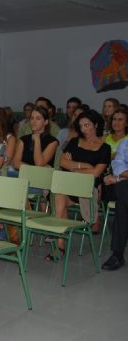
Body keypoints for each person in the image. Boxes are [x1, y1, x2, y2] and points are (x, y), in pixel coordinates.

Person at [53, 110, 111, 256]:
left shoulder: (104, 148)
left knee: (59, 198)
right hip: (70, 185)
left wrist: (73, 168)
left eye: (87, 125)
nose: (84, 129)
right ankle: (60, 244)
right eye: (81, 126)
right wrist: (84, 165)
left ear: (96, 125)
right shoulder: (74, 141)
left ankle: (59, 237)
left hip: (88, 188)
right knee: (59, 194)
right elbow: (62, 161)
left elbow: (96, 173)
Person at [102, 138, 128, 270]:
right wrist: (120, 177)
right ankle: (117, 254)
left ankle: (117, 254)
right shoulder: (126, 142)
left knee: (122, 191)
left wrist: (120, 178)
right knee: (123, 191)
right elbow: (118, 166)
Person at [13, 106, 59, 170]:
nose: (34, 121)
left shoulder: (53, 141)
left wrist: (37, 140)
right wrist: (34, 169)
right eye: (32, 118)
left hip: (42, 177)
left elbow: (39, 163)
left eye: (38, 118)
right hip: (24, 175)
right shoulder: (23, 139)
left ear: (46, 122)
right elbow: (16, 163)